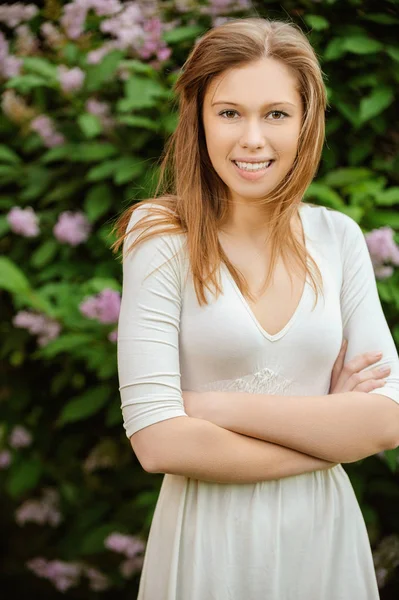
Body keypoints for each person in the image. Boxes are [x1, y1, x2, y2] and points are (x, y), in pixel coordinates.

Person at [112, 17, 399, 600]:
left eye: (275, 113)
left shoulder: (338, 238)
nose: (252, 139)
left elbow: (386, 420)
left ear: (305, 122)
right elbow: (159, 442)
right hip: (208, 538)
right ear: (198, 118)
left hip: (323, 535)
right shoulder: (160, 235)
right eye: (229, 113)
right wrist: (329, 431)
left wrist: (204, 405)